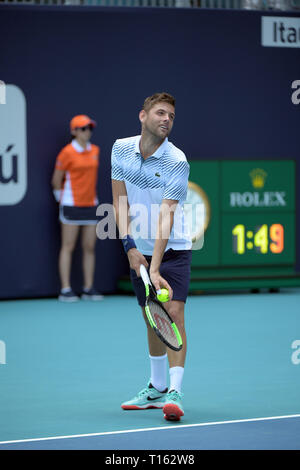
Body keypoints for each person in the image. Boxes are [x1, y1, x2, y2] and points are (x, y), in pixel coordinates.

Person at [111, 92, 192, 421]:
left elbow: (166, 217)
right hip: (138, 248)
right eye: (160, 113)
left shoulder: (177, 161)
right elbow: (119, 201)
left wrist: (154, 266)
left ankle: (175, 391)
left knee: (172, 313)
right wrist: (130, 248)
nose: (166, 120)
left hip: (173, 249)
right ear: (142, 116)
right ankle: (156, 387)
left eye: (171, 116)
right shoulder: (120, 148)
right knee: (151, 313)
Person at [51, 114, 103, 302]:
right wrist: (63, 201)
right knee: (68, 247)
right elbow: (56, 181)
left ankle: (88, 288)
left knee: (89, 247)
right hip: (71, 205)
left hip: (91, 204)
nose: (87, 132)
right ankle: (65, 289)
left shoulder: (95, 150)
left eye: (89, 128)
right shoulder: (66, 153)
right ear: (74, 132)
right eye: (83, 128)